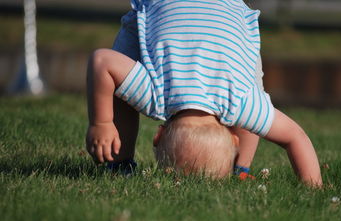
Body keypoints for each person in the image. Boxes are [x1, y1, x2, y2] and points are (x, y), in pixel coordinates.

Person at [86, 0, 323, 187]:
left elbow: (295, 138)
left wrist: (314, 188)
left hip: (227, 21)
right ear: (158, 136)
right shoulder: (157, 95)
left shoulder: (240, 103)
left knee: (252, 93)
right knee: (120, 85)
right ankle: (241, 170)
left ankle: (121, 164)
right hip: (193, 13)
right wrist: (102, 122)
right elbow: (102, 62)